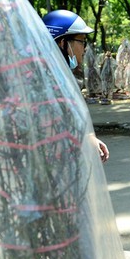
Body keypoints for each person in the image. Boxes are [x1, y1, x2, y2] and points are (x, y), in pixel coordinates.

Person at [43, 9, 109, 162]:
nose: (84, 48)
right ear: (62, 42)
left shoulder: (59, 78)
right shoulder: (46, 83)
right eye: (82, 41)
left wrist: (88, 139)